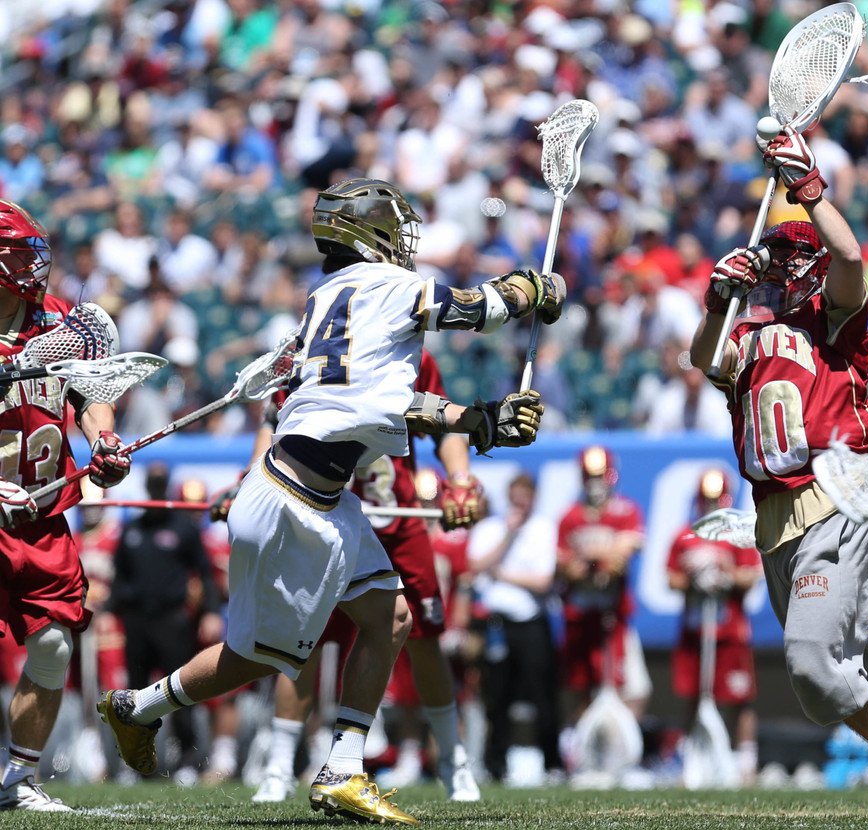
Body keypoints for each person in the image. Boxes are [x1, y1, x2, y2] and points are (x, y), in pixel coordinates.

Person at [96, 178, 563, 825]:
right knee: (260, 658)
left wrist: (478, 422)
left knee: (390, 619)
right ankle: (138, 710)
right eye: (394, 227)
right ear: (370, 235)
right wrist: (527, 292)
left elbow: (385, 404)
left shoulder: (327, 296)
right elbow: (471, 312)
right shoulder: (390, 286)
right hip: (298, 501)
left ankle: (341, 769)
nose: (405, 241)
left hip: (317, 494)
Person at [689, 126, 868, 815]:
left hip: (836, 495)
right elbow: (703, 359)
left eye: (783, 262)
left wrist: (807, 188)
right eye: (766, 262)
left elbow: (847, 252)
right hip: (777, 521)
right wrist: (718, 299)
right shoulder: (746, 339)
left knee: (811, 666)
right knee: (847, 652)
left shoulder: (831, 322)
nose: (772, 273)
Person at [213, 350, 483, 803]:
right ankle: (280, 766)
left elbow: (443, 422)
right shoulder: (316, 350)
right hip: (328, 514)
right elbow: (274, 426)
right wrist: (247, 482)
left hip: (394, 518)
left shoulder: (415, 356)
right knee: (306, 640)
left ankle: (453, 761)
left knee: (423, 635)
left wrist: (460, 480)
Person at [0, 199, 132, 811]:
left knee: (53, 646)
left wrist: (103, 440)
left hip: (41, 516)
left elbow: (91, 391)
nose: (36, 265)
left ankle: (16, 782)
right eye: (21, 253)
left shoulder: (61, 321)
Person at [106, 462, 224, 784]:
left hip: (173, 620)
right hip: (137, 621)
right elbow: (119, 578)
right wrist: (108, 609)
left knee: (179, 691)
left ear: (167, 486)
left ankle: (186, 760)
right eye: (153, 484)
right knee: (134, 692)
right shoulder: (132, 529)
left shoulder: (184, 528)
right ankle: (136, 764)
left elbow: (206, 573)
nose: (157, 489)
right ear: (148, 488)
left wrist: (211, 610)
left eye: (162, 484)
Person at [666, 468, 762, 786]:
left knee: (739, 696)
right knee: (694, 695)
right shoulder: (685, 536)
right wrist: (694, 580)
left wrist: (725, 573)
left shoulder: (737, 536)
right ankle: (691, 758)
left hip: (729, 629)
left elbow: (751, 576)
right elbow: (671, 579)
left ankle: (745, 761)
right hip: (696, 629)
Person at [467, 471, 563, 785]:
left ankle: (552, 762)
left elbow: (542, 580)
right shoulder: (491, 528)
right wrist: (507, 536)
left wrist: (502, 573)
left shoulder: (543, 528)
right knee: (497, 696)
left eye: (526, 496)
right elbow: (476, 566)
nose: (520, 503)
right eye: (516, 496)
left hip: (532, 622)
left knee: (543, 695)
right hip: (498, 623)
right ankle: (496, 764)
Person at [556, 447, 649, 731]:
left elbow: (625, 554)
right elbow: (564, 566)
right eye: (590, 476)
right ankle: (581, 752)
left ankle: (621, 751)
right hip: (582, 614)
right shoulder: (570, 516)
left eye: (600, 476)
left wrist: (590, 557)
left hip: (613, 614)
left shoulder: (626, 510)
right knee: (581, 687)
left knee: (627, 687)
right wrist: (602, 557)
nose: (595, 484)